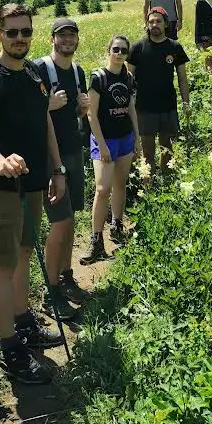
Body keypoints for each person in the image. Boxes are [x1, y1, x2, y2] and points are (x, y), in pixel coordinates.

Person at [0, 3, 67, 385]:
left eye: (26, 32)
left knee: (26, 251)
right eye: (12, 33)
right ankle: (10, 346)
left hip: (34, 183)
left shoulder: (32, 74)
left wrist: (56, 169)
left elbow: (44, 120)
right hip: (1, 188)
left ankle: (24, 320)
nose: (20, 38)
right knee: (3, 264)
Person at [34, 18, 91, 322]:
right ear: (52, 39)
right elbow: (26, 110)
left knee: (70, 221)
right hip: (48, 158)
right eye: (62, 35)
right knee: (60, 222)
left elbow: (76, 114)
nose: (68, 39)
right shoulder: (39, 69)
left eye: (72, 35)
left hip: (72, 151)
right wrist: (49, 106)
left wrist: (81, 108)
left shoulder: (78, 72)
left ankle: (65, 276)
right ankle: (49, 291)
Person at [81, 35, 141, 264]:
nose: (119, 54)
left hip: (125, 138)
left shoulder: (128, 78)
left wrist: (137, 139)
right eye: (115, 49)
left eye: (123, 51)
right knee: (102, 189)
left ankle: (117, 225)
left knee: (120, 184)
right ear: (108, 50)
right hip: (104, 140)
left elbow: (131, 110)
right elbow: (91, 115)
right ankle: (96, 240)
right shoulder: (98, 78)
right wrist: (103, 145)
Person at [127, 7, 190, 174]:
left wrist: (186, 103)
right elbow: (128, 80)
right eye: (151, 21)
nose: (154, 24)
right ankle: (149, 186)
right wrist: (128, 106)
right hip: (144, 107)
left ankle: (166, 185)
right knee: (147, 151)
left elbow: (182, 79)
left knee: (167, 149)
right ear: (147, 24)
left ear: (166, 24)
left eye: (158, 21)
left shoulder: (175, 47)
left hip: (168, 106)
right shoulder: (137, 48)